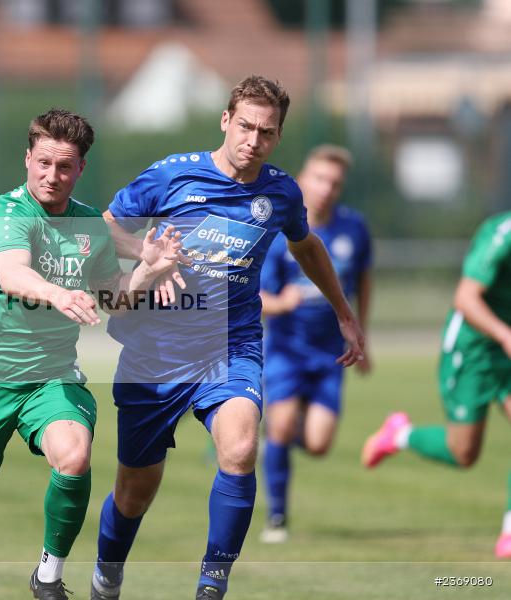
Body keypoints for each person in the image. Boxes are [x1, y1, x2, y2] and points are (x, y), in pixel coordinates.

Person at [90, 76, 366, 600]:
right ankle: (107, 573)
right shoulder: (171, 176)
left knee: (240, 449)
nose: (253, 141)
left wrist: (344, 313)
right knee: (135, 491)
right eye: (245, 127)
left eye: (266, 132)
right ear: (225, 120)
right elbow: (105, 226)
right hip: (156, 352)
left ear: (278, 135)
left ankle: (211, 586)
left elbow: (307, 247)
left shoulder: (281, 192)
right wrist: (146, 256)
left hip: (231, 346)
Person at [0, 108, 182, 600]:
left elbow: (115, 298)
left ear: (80, 169)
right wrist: (59, 293)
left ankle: (47, 577)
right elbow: (14, 272)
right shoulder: (10, 211)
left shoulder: (89, 225)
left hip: (51, 379)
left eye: (64, 166)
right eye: (43, 163)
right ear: (27, 159)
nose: (51, 176)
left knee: (75, 455)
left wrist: (148, 269)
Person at [362, 211, 511, 559]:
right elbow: (466, 298)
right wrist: (505, 335)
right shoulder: (501, 234)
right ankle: (398, 434)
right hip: (472, 347)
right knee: (464, 453)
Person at [258, 144, 373, 543]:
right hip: (286, 350)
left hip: (330, 354)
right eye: (320, 178)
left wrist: (364, 336)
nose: (326, 188)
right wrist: (281, 302)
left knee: (319, 445)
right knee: (281, 427)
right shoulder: (282, 230)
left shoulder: (354, 228)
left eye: (334, 182)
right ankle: (277, 517)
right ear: (304, 179)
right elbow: (255, 298)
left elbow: (363, 283)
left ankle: (280, 429)